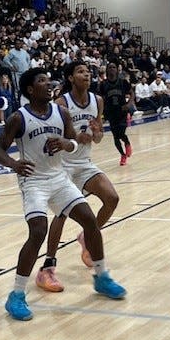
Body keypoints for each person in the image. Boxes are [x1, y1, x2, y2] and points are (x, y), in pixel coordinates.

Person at [0, 68, 126, 321]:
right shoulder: (18, 118)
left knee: (89, 220)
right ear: (31, 90)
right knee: (38, 232)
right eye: (41, 81)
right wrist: (13, 164)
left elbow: (74, 141)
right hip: (33, 181)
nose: (48, 84)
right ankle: (17, 295)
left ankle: (101, 277)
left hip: (59, 178)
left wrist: (68, 144)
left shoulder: (61, 112)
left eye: (48, 80)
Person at [35, 61, 120, 292]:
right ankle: (47, 269)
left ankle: (86, 237)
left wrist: (97, 133)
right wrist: (73, 141)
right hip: (62, 166)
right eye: (81, 71)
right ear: (71, 78)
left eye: (88, 71)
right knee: (61, 215)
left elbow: (99, 136)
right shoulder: (61, 104)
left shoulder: (97, 101)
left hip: (83, 164)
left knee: (112, 198)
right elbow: (51, 141)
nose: (87, 74)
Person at [99, 62, 133, 166]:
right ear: (107, 70)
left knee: (121, 133)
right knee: (115, 136)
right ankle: (122, 155)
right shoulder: (103, 84)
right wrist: (101, 114)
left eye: (114, 67)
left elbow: (132, 93)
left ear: (117, 70)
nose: (112, 69)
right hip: (110, 112)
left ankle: (127, 143)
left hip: (122, 111)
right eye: (110, 67)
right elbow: (100, 99)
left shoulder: (123, 82)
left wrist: (129, 103)